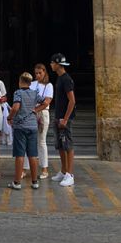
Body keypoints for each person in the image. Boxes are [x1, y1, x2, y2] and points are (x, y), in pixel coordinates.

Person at [7, 72, 43, 190]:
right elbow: (46, 101)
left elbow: (15, 107)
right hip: (33, 126)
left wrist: (10, 117)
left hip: (20, 127)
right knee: (33, 155)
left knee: (20, 154)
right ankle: (35, 181)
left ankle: (17, 182)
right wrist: (36, 109)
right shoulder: (35, 93)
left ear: (20, 81)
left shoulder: (18, 93)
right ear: (30, 83)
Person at [50, 53, 75, 186]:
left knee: (68, 145)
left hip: (65, 119)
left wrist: (65, 119)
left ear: (58, 64)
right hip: (58, 116)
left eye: (52, 63)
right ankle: (64, 171)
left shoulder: (66, 79)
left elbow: (72, 101)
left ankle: (70, 174)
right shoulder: (59, 78)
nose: (51, 65)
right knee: (60, 145)